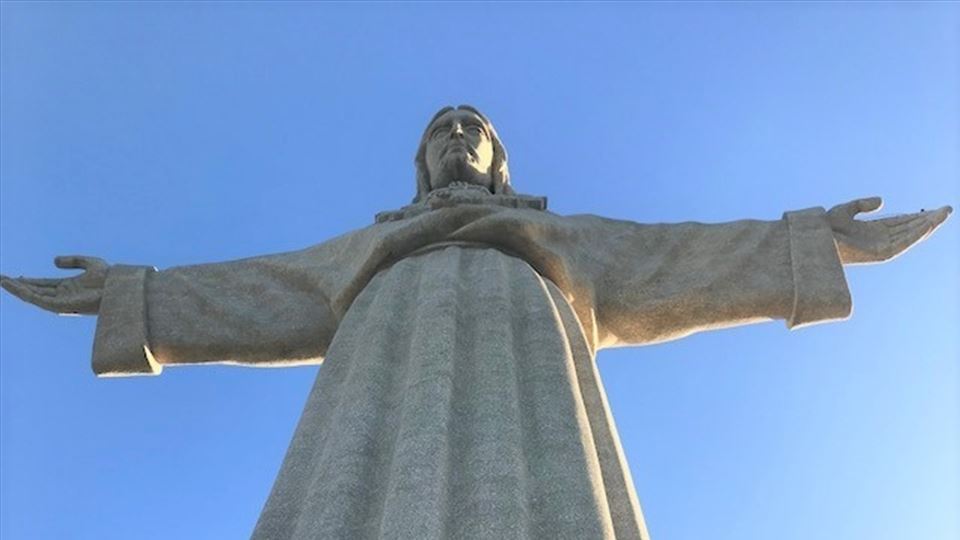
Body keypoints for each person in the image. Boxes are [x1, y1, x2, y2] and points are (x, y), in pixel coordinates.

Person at [2, 106, 951, 540]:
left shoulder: (550, 239)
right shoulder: (367, 256)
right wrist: (132, 295)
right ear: (422, 164)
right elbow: (255, 292)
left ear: (497, 163)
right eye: (440, 132)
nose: (456, 137)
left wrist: (811, 244)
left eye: (472, 130)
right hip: (383, 342)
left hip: (525, 333)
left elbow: (680, 258)